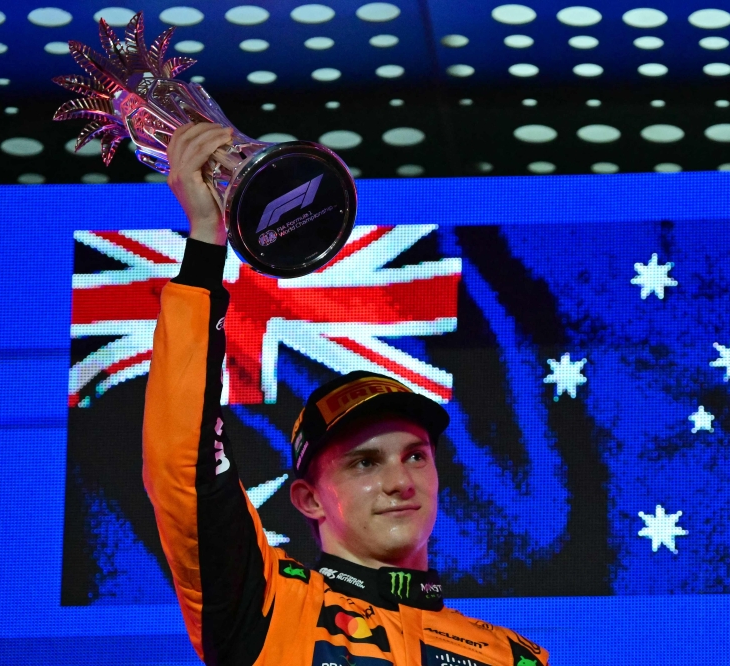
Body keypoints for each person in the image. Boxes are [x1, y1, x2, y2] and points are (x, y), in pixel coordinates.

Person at [143, 122, 549, 666]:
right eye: (363, 463)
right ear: (309, 498)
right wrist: (204, 246)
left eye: (415, 456)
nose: (399, 481)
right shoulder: (269, 605)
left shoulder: (512, 655)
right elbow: (182, 465)